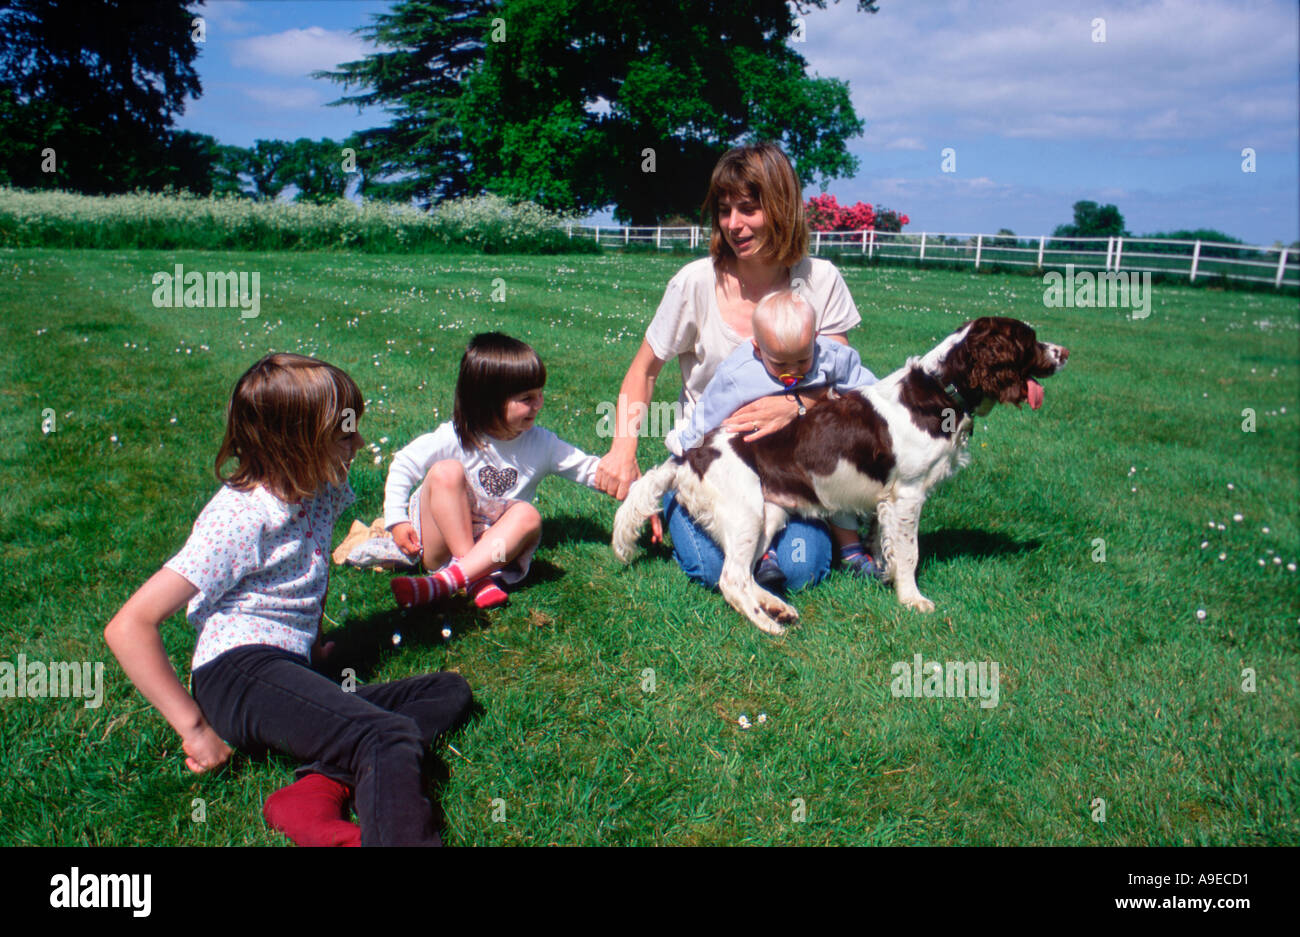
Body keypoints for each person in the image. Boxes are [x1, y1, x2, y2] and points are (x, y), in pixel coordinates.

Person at [104, 353, 472, 847]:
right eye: (345, 433)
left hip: (288, 665)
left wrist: (312, 642)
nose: (359, 442)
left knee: (446, 691)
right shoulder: (239, 518)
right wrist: (195, 730)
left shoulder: (320, 490)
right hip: (238, 673)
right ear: (295, 443)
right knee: (385, 736)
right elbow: (129, 626)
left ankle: (313, 792)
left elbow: (310, 566)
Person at [594, 141, 877, 590]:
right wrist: (623, 451)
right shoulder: (695, 283)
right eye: (725, 211)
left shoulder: (820, 280)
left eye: (748, 209)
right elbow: (643, 371)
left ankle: (831, 536)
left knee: (802, 570)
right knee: (712, 569)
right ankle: (680, 502)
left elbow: (844, 384)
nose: (734, 225)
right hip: (714, 464)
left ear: (782, 206)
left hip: (792, 468)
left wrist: (796, 406)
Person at [663, 288, 884, 588]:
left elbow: (870, 391)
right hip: (756, 458)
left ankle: (852, 552)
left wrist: (818, 399)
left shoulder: (832, 358)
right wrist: (685, 445)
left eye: (802, 362)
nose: (791, 374)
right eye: (780, 365)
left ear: (816, 339)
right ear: (757, 347)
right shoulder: (738, 374)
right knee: (756, 505)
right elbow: (708, 413)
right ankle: (763, 555)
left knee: (838, 486)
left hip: (809, 456)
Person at [386, 332, 604, 609]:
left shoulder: (542, 444)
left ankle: (453, 580)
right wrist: (396, 520)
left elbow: (589, 470)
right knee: (445, 472)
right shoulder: (455, 436)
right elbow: (404, 462)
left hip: (492, 547)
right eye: (527, 398)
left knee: (527, 515)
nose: (538, 404)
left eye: (540, 394)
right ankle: (473, 578)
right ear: (487, 400)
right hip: (439, 545)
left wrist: (641, 497)